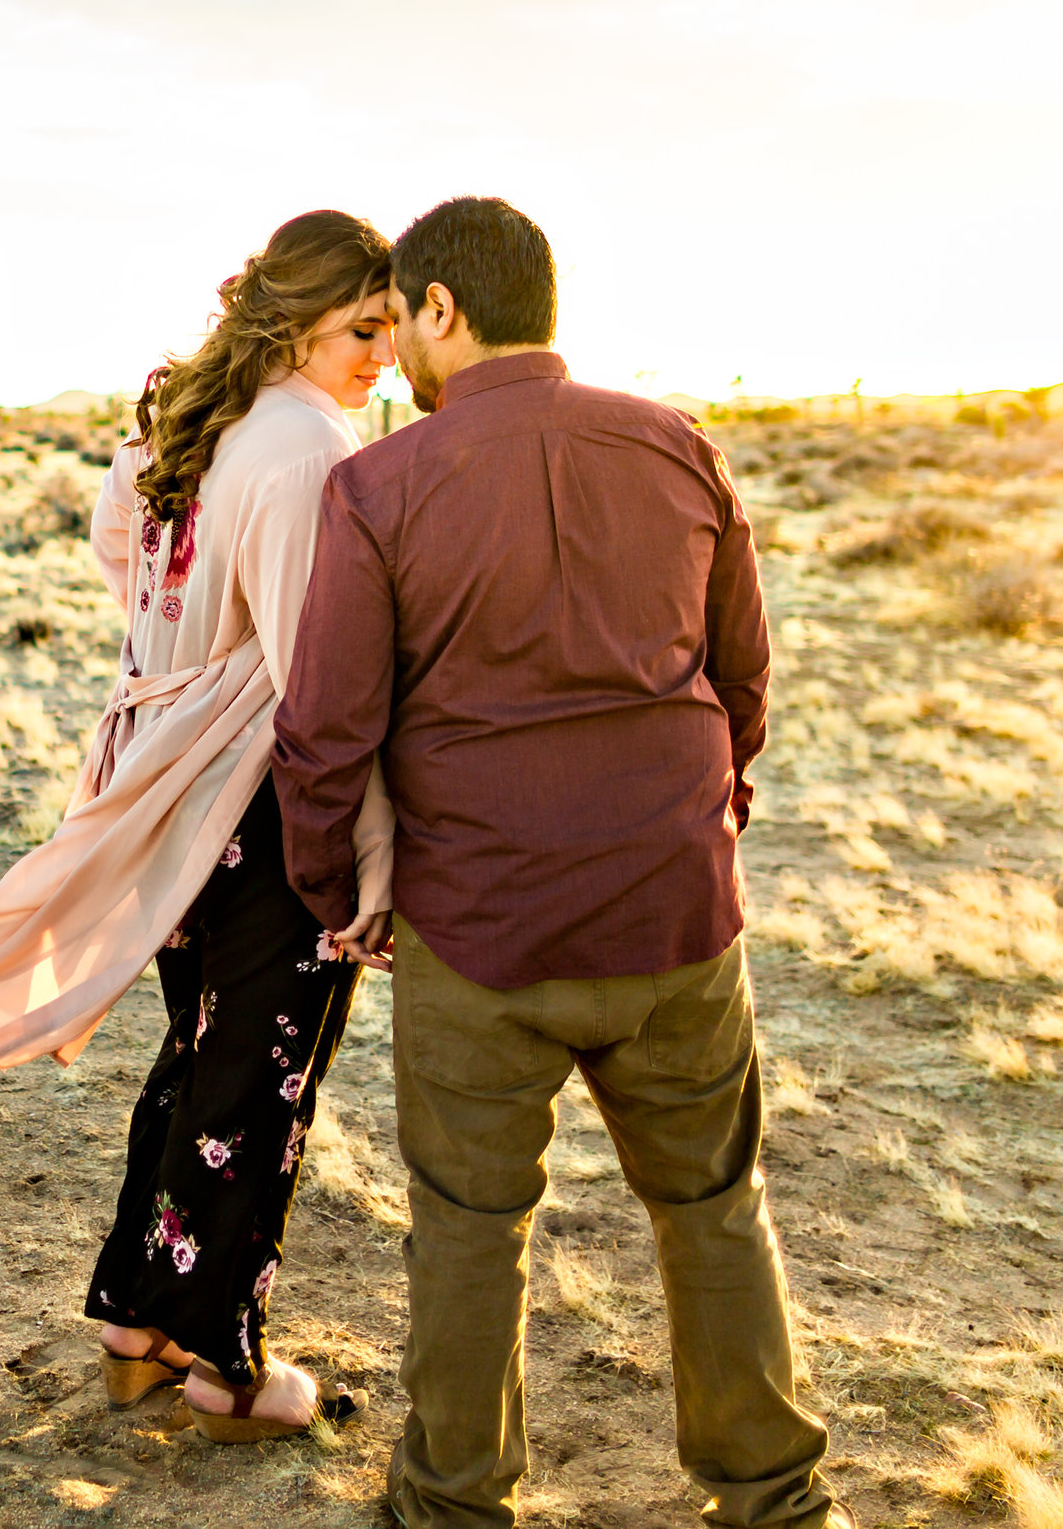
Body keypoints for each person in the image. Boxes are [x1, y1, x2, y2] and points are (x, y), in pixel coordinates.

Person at [270, 197, 846, 1526]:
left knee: (471, 1223)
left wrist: (335, 889)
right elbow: (742, 674)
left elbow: (325, 730)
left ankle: (455, 1502)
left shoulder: (379, 485)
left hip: (479, 930)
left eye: (403, 316)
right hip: (677, 916)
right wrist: (708, 818)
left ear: (442, 311)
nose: (400, 351)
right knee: (712, 1200)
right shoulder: (676, 445)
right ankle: (777, 1496)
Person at [0, 210, 399, 1441]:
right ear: (297, 313)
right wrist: (365, 848)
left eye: (390, 332)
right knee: (260, 1077)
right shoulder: (306, 443)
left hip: (158, 782)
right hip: (257, 792)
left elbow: (119, 546)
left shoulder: (184, 420)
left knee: (200, 1053)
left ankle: (133, 1327)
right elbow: (320, 675)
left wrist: (185, 649)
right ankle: (223, 1369)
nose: (382, 358)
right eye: (362, 328)